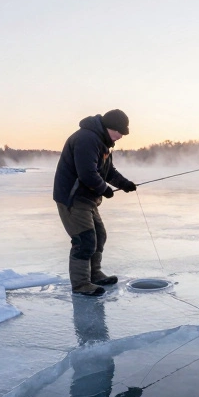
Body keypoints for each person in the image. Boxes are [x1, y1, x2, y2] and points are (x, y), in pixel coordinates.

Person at [53, 109, 138, 296]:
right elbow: (87, 174)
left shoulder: (103, 143)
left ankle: (94, 274)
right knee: (84, 240)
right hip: (73, 198)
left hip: (88, 199)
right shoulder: (87, 139)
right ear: (110, 127)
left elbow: (108, 172)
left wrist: (124, 184)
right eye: (120, 132)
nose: (121, 136)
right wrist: (104, 189)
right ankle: (81, 284)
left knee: (99, 235)